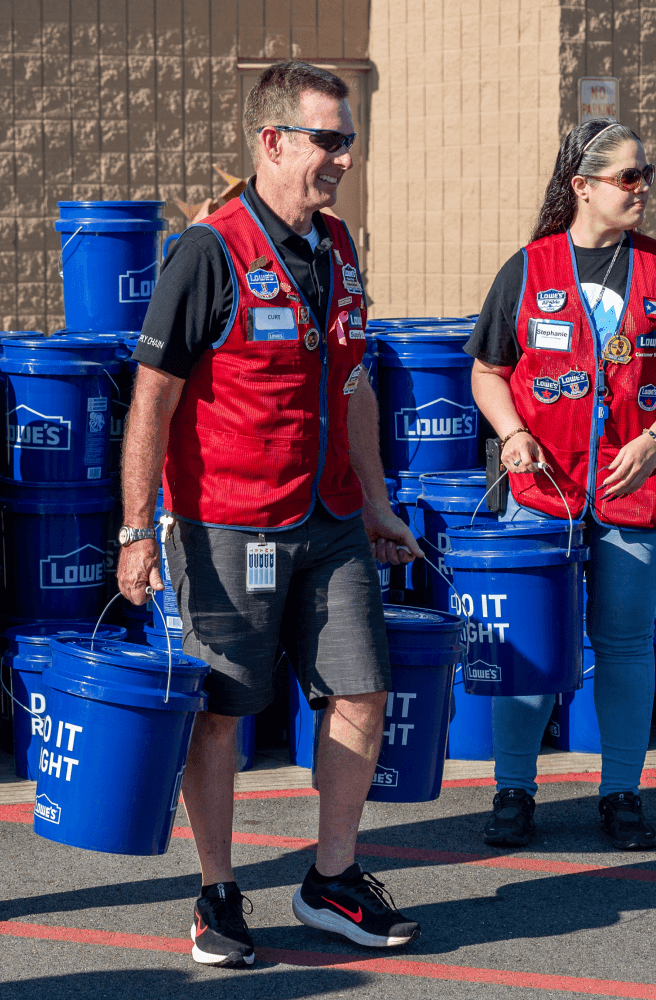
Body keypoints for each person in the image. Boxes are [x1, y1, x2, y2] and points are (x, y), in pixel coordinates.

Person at [117, 60, 424, 968]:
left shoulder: (339, 248)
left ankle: (330, 880)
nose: (342, 158)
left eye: (349, 142)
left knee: (362, 688)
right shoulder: (208, 251)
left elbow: (355, 380)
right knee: (222, 711)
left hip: (329, 517)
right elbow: (152, 400)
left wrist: (375, 501)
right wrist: (138, 527)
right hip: (228, 525)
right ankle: (216, 894)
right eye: (328, 140)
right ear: (273, 140)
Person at [465, 119, 656, 851]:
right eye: (628, 177)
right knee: (526, 645)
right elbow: (487, 372)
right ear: (582, 186)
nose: (643, 188)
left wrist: (654, 442)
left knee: (622, 644)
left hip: (638, 493)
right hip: (542, 496)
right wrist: (512, 433)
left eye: (646, 175)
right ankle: (514, 790)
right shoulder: (529, 268)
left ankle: (621, 793)